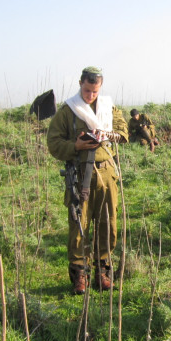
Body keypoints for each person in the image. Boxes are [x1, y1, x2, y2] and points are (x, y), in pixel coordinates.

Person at [47, 67, 129, 295]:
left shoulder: (107, 107)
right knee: (78, 225)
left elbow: (123, 131)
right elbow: (53, 143)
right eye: (87, 90)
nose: (90, 95)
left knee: (108, 224)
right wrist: (76, 146)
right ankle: (79, 276)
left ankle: (102, 272)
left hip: (106, 175)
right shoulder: (68, 110)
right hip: (80, 176)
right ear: (80, 83)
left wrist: (107, 134)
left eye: (95, 91)